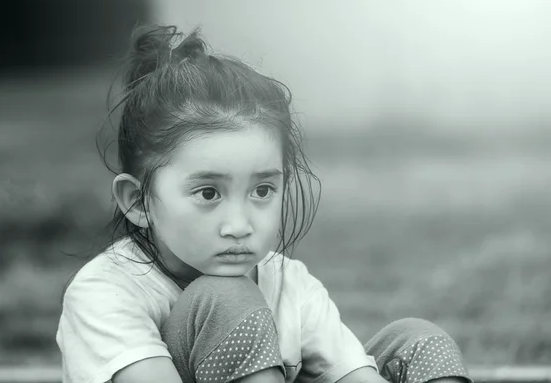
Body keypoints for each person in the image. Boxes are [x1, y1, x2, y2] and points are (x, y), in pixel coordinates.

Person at [56, 25, 472, 383]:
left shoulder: (289, 284)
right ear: (139, 201)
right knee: (225, 298)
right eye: (208, 194)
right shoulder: (105, 293)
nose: (239, 224)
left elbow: (354, 374)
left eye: (261, 191)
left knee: (418, 342)